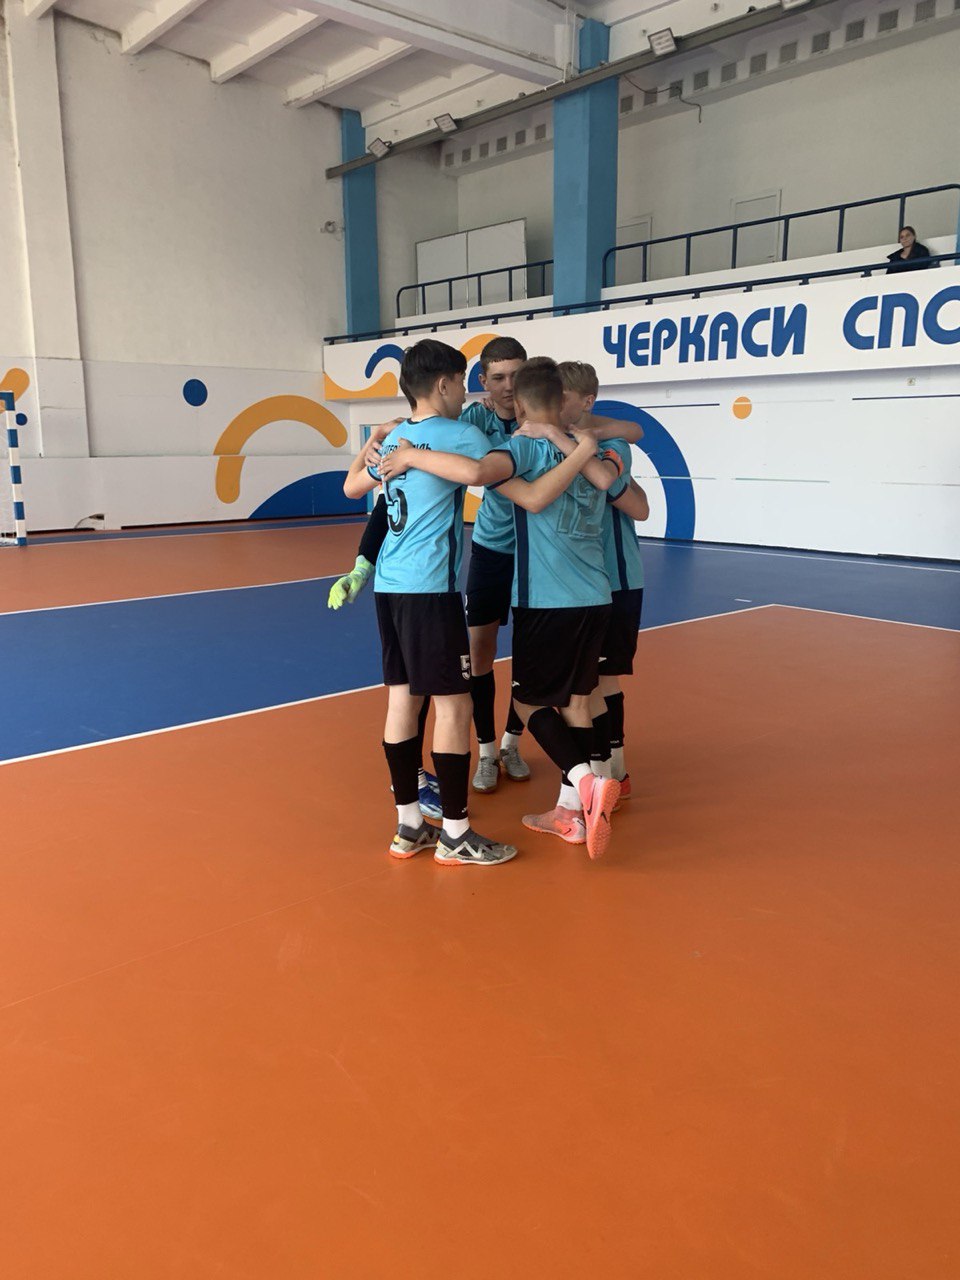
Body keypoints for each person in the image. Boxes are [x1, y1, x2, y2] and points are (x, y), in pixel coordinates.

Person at [381, 357, 623, 860]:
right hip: (589, 590)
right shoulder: (591, 447)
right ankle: (570, 802)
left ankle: (580, 781)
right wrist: (580, 446)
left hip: (528, 593)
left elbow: (481, 475)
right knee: (571, 701)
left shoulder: (514, 445)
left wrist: (405, 452)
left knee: (512, 702)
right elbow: (617, 480)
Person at [342, 339, 517, 867]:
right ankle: (456, 834)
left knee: (402, 700)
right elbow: (488, 472)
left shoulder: (397, 437)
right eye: (462, 382)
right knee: (454, 705)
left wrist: (377, 441)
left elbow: (353, 487)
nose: (466, 393)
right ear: (443, 384)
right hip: (428, 590)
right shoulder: (460, 434)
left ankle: (409, 825)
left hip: (389, 587)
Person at [521, 362, 650, 845]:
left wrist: (569, 438)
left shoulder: (602, 444)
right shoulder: (558, 440)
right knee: (586, 690)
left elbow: (627, 495)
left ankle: (595, 784)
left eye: (565, 398)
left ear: (584, 402)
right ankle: (602, 778)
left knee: (590, 687)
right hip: (584, 584)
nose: (557, 405)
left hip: (609, 582)